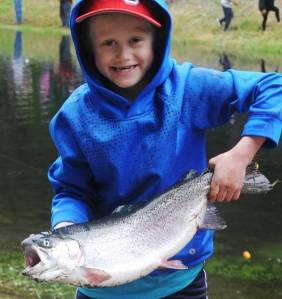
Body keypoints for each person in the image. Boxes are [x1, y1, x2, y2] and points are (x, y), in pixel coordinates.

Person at [48, 0, 282, 298]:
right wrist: (66, 231)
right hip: (101, 283)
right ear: (87, 47)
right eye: (108, 43)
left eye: (136, 40)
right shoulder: (74, 117)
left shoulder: (187, 89)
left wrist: (242, 153)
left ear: (157, 41)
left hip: (182, 280)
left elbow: (274, 87)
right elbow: (72, 190)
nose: (124, 54)